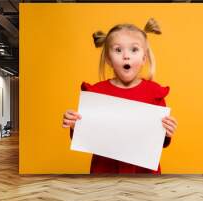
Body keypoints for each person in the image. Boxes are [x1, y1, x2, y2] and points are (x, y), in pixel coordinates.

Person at [62, 18, 177, 174]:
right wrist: (75, 125)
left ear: (144, 58)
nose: (126, 56)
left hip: (143, 174)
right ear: (108, 59)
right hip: (105, 172)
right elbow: (88, 136)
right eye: (118, 50)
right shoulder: (96, 93)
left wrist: (167, 131)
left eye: (134, 50)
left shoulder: (154, 93)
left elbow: (160, 142)